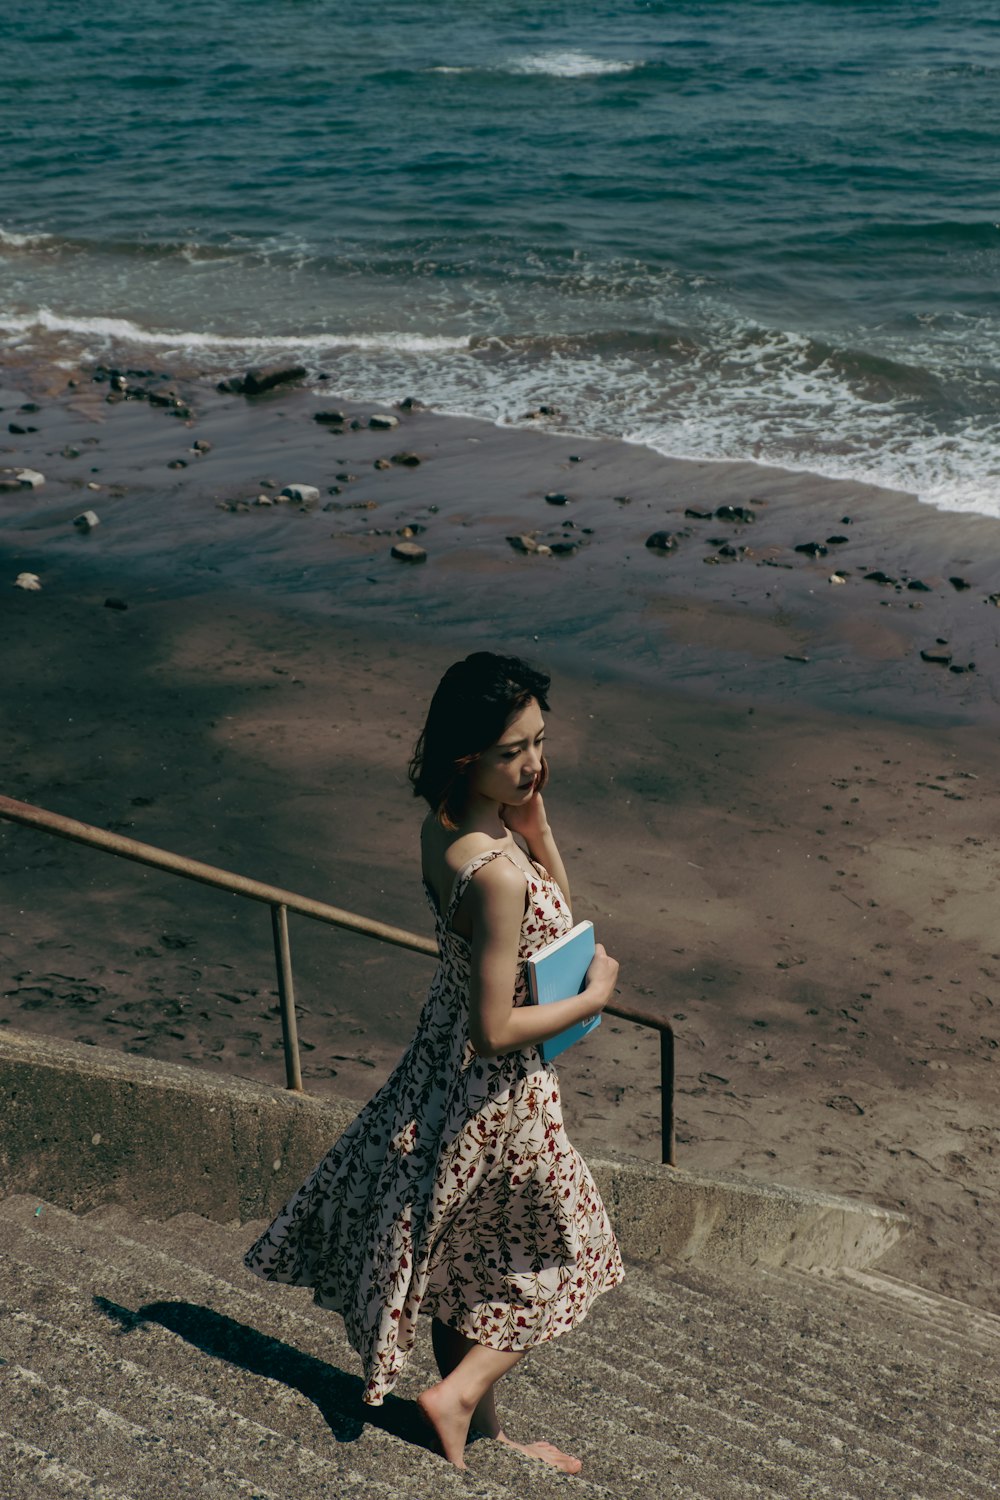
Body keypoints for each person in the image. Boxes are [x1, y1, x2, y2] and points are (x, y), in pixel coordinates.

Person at [244, 652, 624, 1473]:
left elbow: (556, 921)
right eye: (512, 752)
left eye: (538, 742)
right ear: (467, 756)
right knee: (573, 1253)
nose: (534, 764)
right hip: (502, 1091)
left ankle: (479, 1431)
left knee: (470, 1258)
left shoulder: (448, 827)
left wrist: (539, 826)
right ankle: (455, 1396)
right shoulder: (494, 877)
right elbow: (495, 1026)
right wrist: (592, 1001)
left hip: (439, 1071)